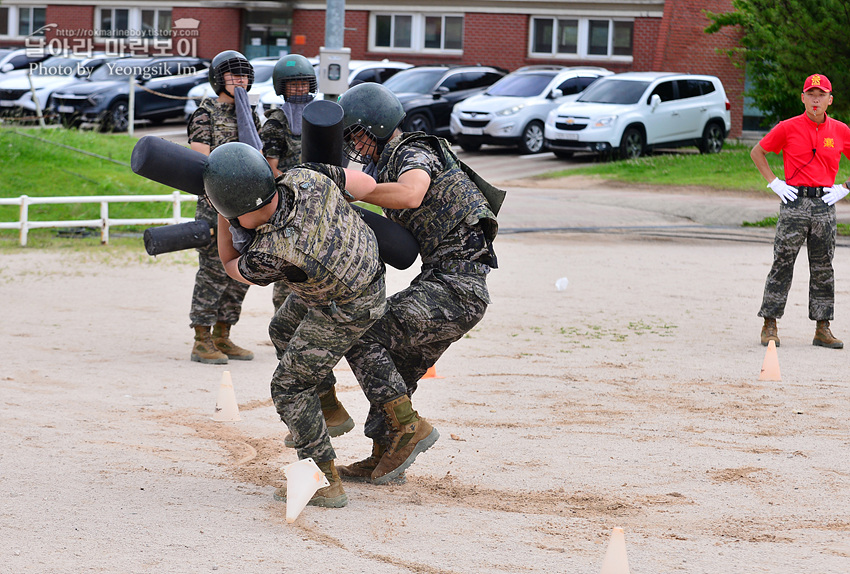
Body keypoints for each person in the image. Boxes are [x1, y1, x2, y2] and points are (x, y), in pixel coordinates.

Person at [328, 82, 501, 485]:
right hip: (451, 283)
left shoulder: (413, 151)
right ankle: (384, 455)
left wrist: (355, 192)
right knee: (397, 367)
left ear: (374, 127)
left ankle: (410, 428)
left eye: (355, 133)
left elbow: (411, 194)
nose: (354, 144)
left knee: (362, 336)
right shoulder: (391, 161)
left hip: (457, 286)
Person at [204, 141, 385, 508]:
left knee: (287, 386)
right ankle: (328, 410)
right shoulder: (306, 177)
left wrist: (221, 218)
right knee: (281, 328)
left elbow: (229, 265)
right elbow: (362, 184)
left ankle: (322, 479)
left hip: (345, 307)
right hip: (366, 275)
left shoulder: (269, 252)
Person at [751, 73, 850, 349]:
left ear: (830, 100)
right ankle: (769, 323)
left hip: (824, 204)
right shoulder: (787, 127)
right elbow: (757, 152)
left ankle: (822, 328)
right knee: (782, 262)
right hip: (794, 202)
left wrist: (845, 187)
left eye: (821, 95)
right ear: (802, 98)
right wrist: (774, 182)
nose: (815, 100)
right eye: (811, 94)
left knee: (823, 267)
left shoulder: (841, 131)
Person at [186, 50, 260, 364]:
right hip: (215, 205)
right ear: (219, 79)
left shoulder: (251, 113)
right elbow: (200, 159)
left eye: (244, 75)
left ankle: (223, 334)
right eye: (233, 75)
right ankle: (201, 338)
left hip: (245, 206)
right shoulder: (206, 114)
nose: (240, 80)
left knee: (241, 271)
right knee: (214, 272)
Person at [259, 54, 318, 313]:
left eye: (303, 84)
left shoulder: (319, 116)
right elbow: (271, 168)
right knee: (288, 267)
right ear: (281, 88)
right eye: (293, 85)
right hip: (289, 204)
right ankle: (282, 327)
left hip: (318, 203)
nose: (299, 90)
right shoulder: (275, 122)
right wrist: (298, 186)